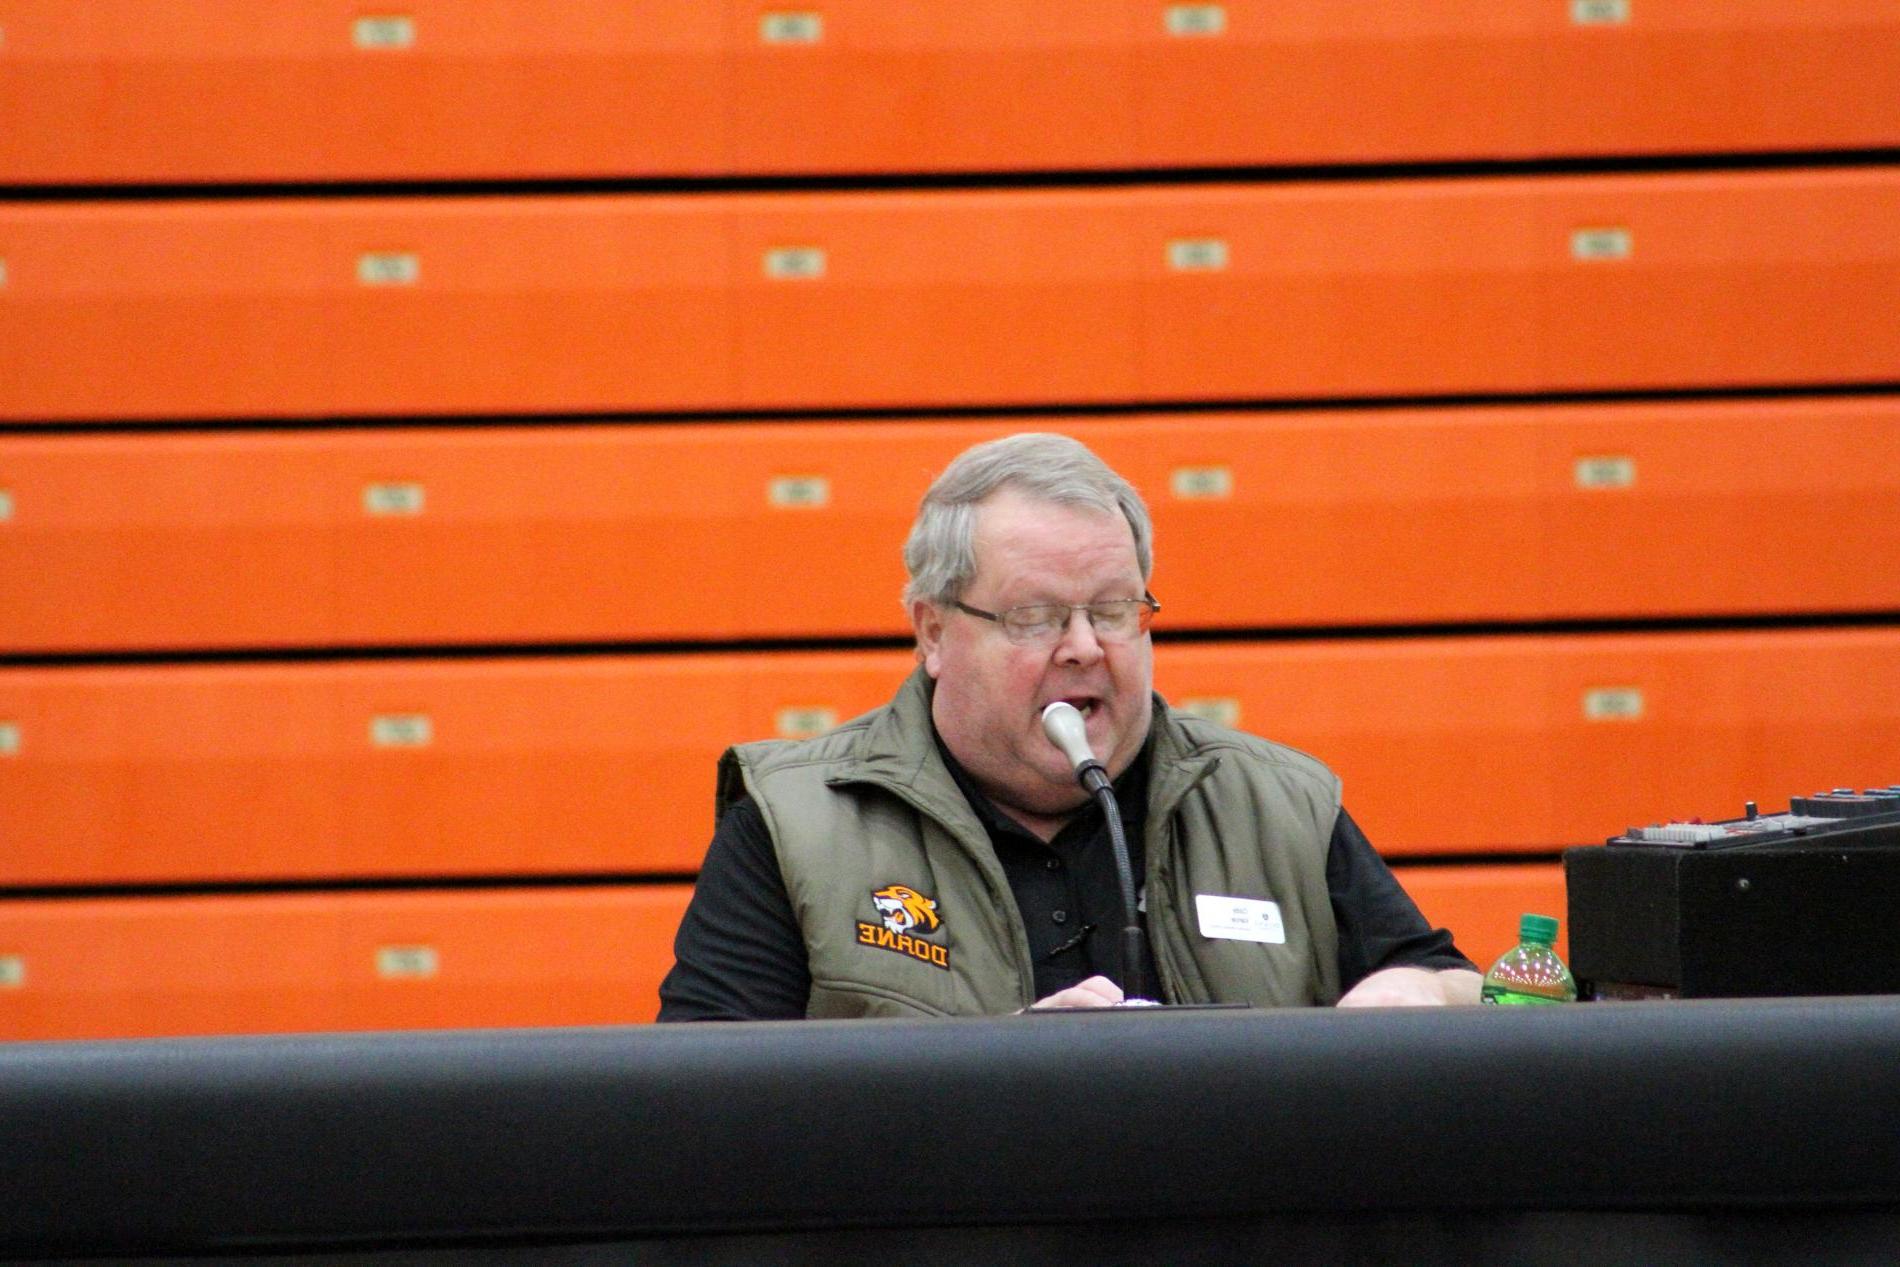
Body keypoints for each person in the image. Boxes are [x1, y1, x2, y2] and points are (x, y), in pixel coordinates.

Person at [659, 433, 1480, 1019]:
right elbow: (705, 1122)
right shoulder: (794, 823)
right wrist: (1010, 1089)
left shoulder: (1275, 804)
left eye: (1115, 609)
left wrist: (1424, 989)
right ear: (934, 632)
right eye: (1035, 616)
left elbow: (1460, 984)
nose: (1085, 647)